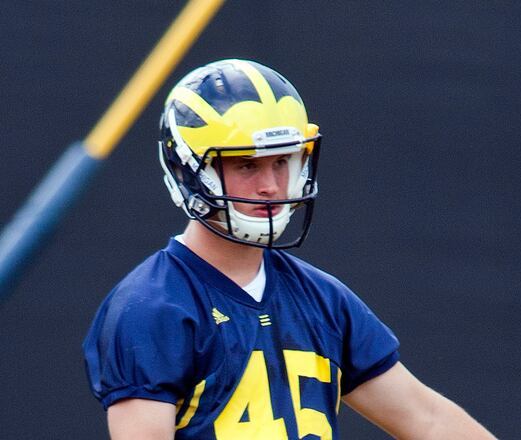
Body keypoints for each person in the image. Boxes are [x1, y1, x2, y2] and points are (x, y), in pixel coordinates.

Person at [83, 59, 496, 439]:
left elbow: (427, 419)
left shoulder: (321, 298)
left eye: (282, 162)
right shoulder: (152, 307)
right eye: (247, 165)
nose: (271, 185)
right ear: (189, 170)